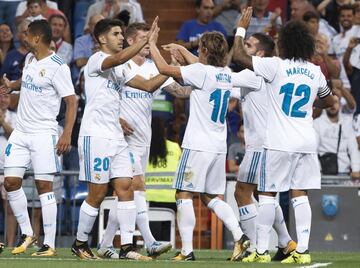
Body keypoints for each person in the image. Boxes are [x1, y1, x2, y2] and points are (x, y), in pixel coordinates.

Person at [232, 7, 336, 264]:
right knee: (300, 194)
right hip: (306, 140)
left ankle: (260, 250)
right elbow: (330, 101)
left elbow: (238, 56)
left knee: (268, 194)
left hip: (279, 141)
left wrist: (241, 28)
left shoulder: (275, 65)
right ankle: (302, 251)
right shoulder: (315, 71)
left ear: (285, 43)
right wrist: (312, 103)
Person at [150, 30, 264, 261]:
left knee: (183, 194)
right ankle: (240, 235)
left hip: (197, 145)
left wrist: (152, 43)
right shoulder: (224, 73)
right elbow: (202, 68)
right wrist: (182, 50)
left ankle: (187, 251)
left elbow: (163, 69)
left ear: (203, 50)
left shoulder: (200, 72)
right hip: (217, 145)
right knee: (210, 196)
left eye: (199, 48)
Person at [71, 17, 171, 261]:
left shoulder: (120, 68)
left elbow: (147, 86)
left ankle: (127, 247)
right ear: (102, 38)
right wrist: (146, 40)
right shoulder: (97, 60)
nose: (120, 38)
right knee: (96, 194)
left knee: (126, 188)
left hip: (116, 138)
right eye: (116, 34)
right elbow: (117, 58)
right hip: (96, 136)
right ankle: (80, 243)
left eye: (121, 34)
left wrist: (171, 71)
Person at [96, 22, 192, 259]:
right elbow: (101, 98)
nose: (150, 43)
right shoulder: (120, 65)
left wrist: (199, 77)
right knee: (136, 187)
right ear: (131, 41)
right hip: (121, 140)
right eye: (144, 38)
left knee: (126, 195)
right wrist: (117, 119)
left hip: (143, 141)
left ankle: (105, 243)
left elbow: (182, 92)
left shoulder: (153, 68)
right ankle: (149, 241)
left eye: (151, 39)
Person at [0, 19, 77, 256]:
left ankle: (50, 244)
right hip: (21, 132)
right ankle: (28, 233)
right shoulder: (30, 59)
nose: (22, 37)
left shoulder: (58, 66)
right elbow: (28, 79)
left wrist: (66, 132)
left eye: (26, 35)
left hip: (44, 133)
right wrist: (12, 85)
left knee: (44, 187)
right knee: (10, 182)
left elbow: (71, 101)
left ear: (36, 38)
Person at [230, 31, 297, 261]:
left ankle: (253, 247)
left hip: (259, 145)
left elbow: (217, 77)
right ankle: (286, 242)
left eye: (248, 45)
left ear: (259, 53)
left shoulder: (253, 75)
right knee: (263, 195)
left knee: (242, 192)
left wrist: (190, 64)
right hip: (271, 143)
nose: (242, 47)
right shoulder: (268, 75)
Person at [314, 97, 360, 178]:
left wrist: (356, 169)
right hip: (323, 171)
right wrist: (317, 170)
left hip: (344, 171)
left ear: (340, 105)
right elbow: (313, 150)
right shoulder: (317, 124)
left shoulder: (347, 123)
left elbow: (353, 148)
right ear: (325, 105)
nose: (332, 105)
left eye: (335, 102)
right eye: (330, 103)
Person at [0, 93, 17, 247]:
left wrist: (2, 122)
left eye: (5, 96)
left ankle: (10, 245)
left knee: (10, 211)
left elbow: (15, 136)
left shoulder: (15, 117)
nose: (2, 99)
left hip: (8, 169)